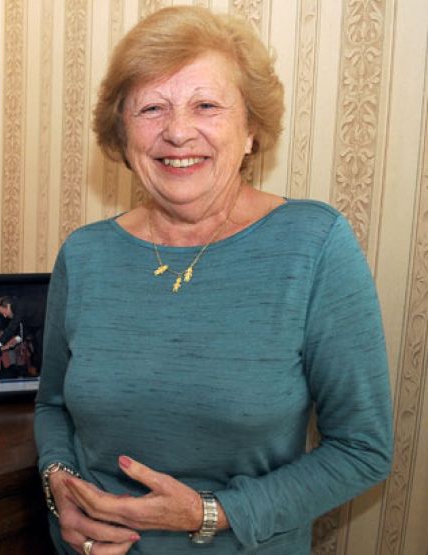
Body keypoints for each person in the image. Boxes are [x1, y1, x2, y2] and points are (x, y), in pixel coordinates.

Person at [34, 6, 393, 555]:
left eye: (206, 105)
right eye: (152, 108)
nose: (178, 131)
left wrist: (211, 514)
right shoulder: (85, 253)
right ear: (123, 134)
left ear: (251, 129)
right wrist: (57, 485)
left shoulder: (313, 244)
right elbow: (53, 406)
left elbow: (362, 448)